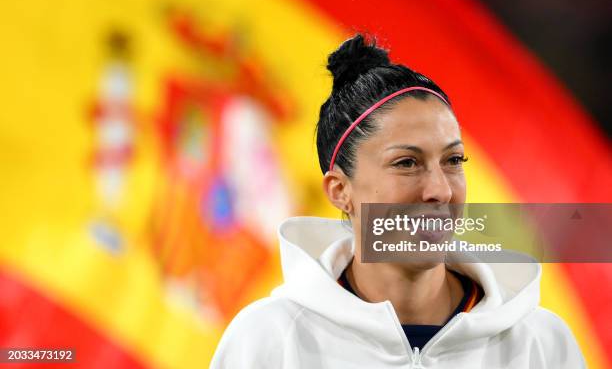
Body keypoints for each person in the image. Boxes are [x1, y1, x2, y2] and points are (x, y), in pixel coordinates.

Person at [210, 34, 585, 368]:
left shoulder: (541, 345)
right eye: (407, 163)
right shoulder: (266, 342)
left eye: (453, 161)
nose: (440, 189)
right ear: (341, 191)